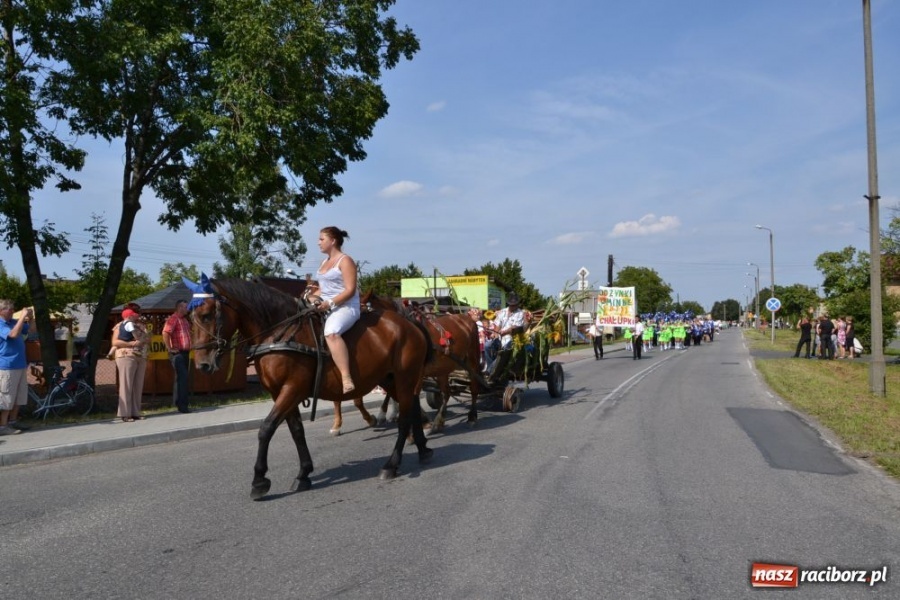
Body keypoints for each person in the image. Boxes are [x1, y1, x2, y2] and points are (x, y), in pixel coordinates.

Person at [313, 226, 361, 394]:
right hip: (326, 306)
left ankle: (346, 377)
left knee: (331, 332)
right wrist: (310, 297)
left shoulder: (345, 260)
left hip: (346, 307)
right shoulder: (323, 262)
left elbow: (350, 290)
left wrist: (329, 303)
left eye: (321, 239)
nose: (318, 242)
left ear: (332, 241)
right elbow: (322, 289)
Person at [111, 306, 149, 421]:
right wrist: (132, 344)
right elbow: (115, 341)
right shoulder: (121, 325)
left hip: (141, 356)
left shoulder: (141, 325)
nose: (138, 315)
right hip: (126, 355)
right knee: (126, 385)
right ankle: (124, 413)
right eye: (136, 312)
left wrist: (145, 339)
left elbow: (147, 339)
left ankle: (135, 412)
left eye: (138, 312)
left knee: (138, 385)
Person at [0, 300, 31, 435]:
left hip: (20, 364)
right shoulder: (1, 325)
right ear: (1, 311)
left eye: (13, 309)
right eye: (9, 309)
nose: (12, 311)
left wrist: (31, 317)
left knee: (19, 396)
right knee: (7, 397)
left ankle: (13, 421)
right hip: (8, 366)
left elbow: (31, 329)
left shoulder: (13, 322)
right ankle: (3, 426)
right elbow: (13, 334)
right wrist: (22, 317)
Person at [163, 299, 192, 413]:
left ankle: (180, 402)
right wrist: (169, 348)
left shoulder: (185, 320)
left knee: (182, 378)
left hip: (185, 352)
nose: (187, 309)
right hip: (177, 353)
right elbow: (165, 332)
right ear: (179, 308)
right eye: (185, 307)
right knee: (183, 377)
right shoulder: (173, 319)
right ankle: (182, 405)